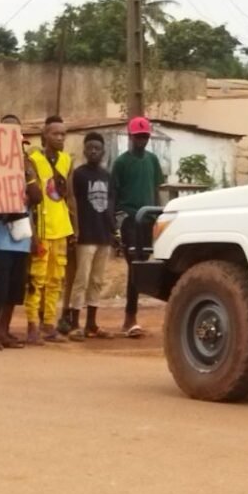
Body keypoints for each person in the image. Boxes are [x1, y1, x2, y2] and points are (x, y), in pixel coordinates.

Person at [0, 115, 43, 350]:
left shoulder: (26, 163)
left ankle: (4, 329)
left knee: (16, 285)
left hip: (20, 233)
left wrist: (26, 172)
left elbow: (36, 197)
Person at [111, 115, 164, 338]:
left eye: (145, 136)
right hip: (130, 219)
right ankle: (129, 317)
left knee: (145, 267)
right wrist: (115, 222)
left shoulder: (152, 161)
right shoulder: (121, 163)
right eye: (138, 136)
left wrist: (160, 214)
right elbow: (114, 193)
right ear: (130, 137)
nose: (141, 140)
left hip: (148, 219)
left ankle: (133, 316)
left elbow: (156, 189)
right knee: (134, 267)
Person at [25, 115, 75, 345]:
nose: (60, 138)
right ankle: (32, 323)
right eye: (56, 134)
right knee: (37, 278)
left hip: (61, 227)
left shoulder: (66, 160)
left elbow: (69, 196)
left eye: (63, 134)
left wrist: (75, 226)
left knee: (57, 278)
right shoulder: (33, 159)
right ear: (45, 136)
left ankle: (48, 323)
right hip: (43, 227)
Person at [66, 132, 115, 341]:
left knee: (97, 280)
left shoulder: (107, 175)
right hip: (85, 236)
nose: (93, 151)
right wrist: (74, 231)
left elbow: (110, 204)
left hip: (104, 235)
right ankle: (74, 323)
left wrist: (113, 230)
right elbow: (72, 202)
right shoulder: (78, 175)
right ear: (84, 151)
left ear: (103, 151)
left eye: (97, 148)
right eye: (90, 148)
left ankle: (91, 324)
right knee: (81, 279)